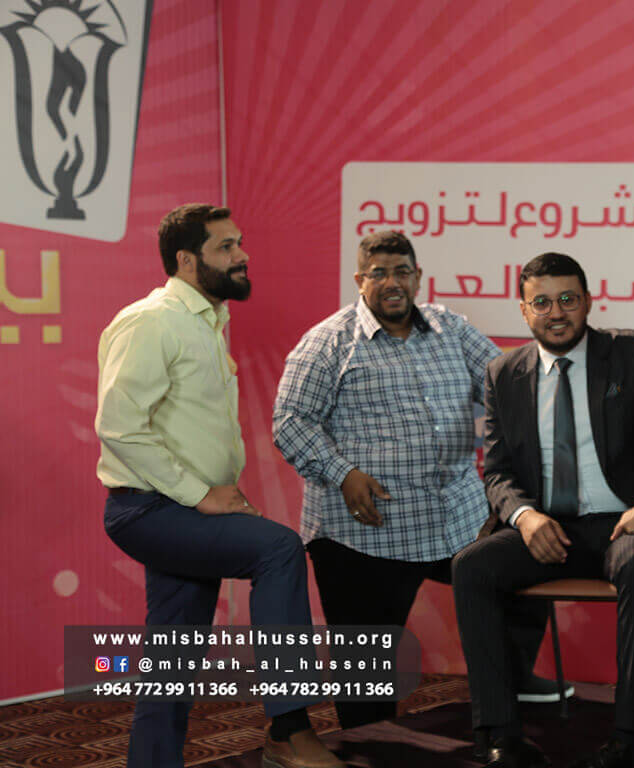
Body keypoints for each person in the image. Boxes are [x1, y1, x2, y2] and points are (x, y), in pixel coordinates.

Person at [272, 230, 554, 735]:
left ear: (418, 276)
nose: (392, 282)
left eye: (401, 271)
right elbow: (290, 421)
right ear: (359, 280)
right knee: (368, 679)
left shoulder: (451, 328)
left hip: (458, 520)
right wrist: (342, 473)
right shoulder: (328, 343)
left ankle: (512, 681)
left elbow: (508, 384)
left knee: (530, 567)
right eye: (378, 273)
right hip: (365, 533)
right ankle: (370, 744)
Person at [96, 204, 341, 768]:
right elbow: (119, 427)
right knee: (278, 549)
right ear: (187, 260)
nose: (242, 255)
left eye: (239, 243)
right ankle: (288, 729)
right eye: (225, 247)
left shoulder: (206, 321)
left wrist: (207, 496)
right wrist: (202, 495)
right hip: (149, 510)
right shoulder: (152, 321)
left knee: (172, 659)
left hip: (181, 510)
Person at [453, 252, 634, 768]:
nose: (556, 312)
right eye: (542, 302)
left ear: (589, 301)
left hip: (624, 525)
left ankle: (627, 739)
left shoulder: (631, 352)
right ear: (524, 310)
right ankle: (501, 737)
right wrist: (525, 517)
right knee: (472, 567)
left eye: (568, 299)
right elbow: (498, 471)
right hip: (549, 530)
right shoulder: (503, 372)